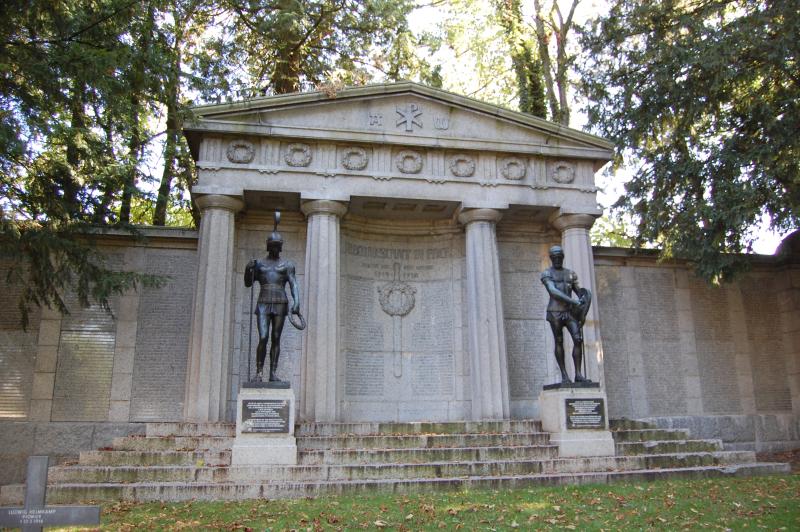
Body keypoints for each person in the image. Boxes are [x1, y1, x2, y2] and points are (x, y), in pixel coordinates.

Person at [244, 213, 300, 383]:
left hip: (281, 303)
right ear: (268, 246)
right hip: (263, 302)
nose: (275, 248)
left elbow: (293, 284)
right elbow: (248, 283)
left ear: (281, 247)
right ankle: (259, 372)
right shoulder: (259, 264)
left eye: (278, 245)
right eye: (273, 245)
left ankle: (272, 373)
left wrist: (297, 302)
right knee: (263, 336)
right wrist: (248, 269)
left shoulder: (287, 265)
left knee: (276, 338)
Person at [540, 245, 591, 385]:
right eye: (554, 257)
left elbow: (579, 291)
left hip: (570, 312)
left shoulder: (570, 274)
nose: (557, 259)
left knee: (578, 339)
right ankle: (564, 375)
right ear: (551, 258)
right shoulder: (547, 273)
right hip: (555, 311)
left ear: (562, 257)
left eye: (559, 257)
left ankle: (579, 374)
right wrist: (573, 301)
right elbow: (553, 291)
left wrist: (583, 298)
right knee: (559, 341)